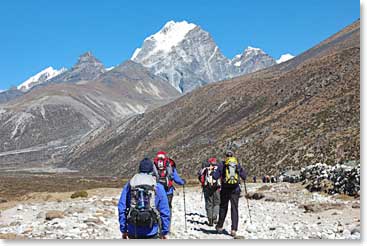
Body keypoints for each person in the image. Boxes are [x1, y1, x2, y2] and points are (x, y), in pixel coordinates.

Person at [118, 158, 170, 239]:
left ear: (139, 169)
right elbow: (165, 211)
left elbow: (122, 208)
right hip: (152, 230)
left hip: (133, 229)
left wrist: (123, 229)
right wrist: (164, 231)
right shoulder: (157, 186)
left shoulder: (130, 185)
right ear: (152, 170)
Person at [212, 150, 247, 237]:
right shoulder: (237, 164)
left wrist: (214, 172)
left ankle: (219, 226)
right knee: (234, 208)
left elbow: (215, 177)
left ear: (226, 156)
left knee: (223, 207)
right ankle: (234, 229)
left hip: (225, 190)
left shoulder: (222, 164)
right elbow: (244, 176)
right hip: (235, 189)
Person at [197, 157, 221, 226]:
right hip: (216, 188)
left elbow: (199, 176)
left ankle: (210, 219)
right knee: (217, 202)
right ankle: (215, 216)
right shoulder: (218, 168)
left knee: (208, 203)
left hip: (206, 187)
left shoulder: (205, 169)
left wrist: (203, 183)